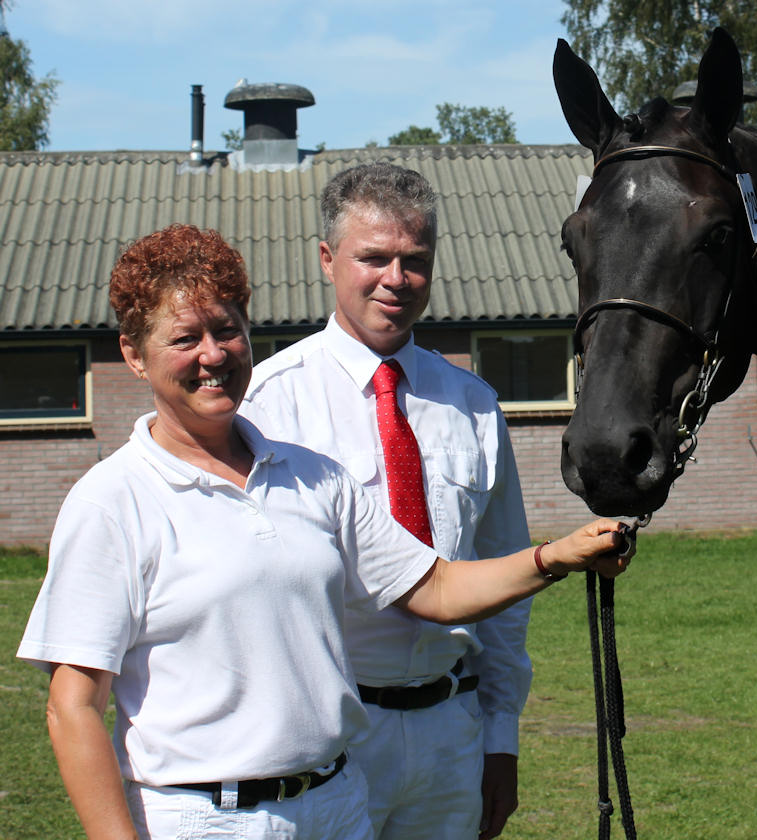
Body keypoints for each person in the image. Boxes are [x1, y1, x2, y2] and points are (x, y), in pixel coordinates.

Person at [17, 224, 629, 840]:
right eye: (184, 338)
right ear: (132, 353)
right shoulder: (113, 501)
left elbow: (438, 589)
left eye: (228, 330)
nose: (213, 354)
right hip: (205, 819)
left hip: (336, 806)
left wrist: (559, 555)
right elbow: (72, 710)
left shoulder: (312, 476)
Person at [240, 163, 540, 839]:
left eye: (415, 261)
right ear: (326, 259)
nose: (395, 280)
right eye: (373, 258)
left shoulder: (473, 405)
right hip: (329, 740)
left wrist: (501, 739)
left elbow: (504, 592)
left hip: (451, 739)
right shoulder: (267, 405)